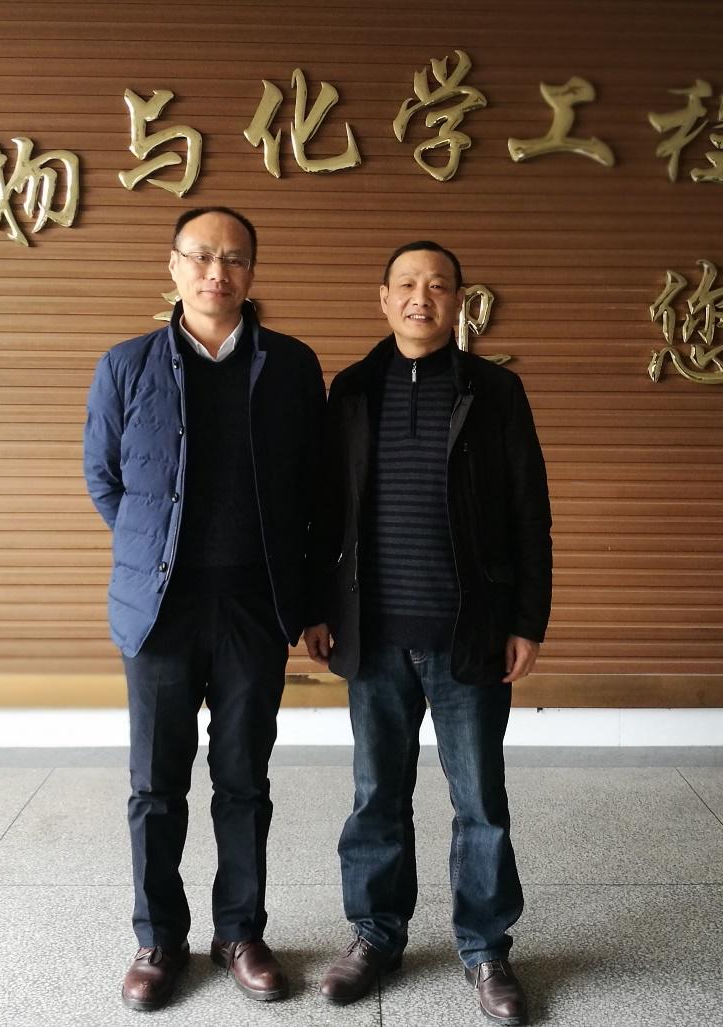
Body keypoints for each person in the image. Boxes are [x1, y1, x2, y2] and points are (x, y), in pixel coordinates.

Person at [83, 206, 325, 1012]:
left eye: (234, 259)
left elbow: (316, 486)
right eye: (201, 256)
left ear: (252, 271)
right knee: (156, 783)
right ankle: (159, 938)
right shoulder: (126, 365)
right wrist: (156, 546)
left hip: (255, 603)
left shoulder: (291, 365)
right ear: (174, 265)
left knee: (243, 778)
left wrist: (309, 598)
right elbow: (105, 478)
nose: (217, 272)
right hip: (160, 609)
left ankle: (240, 932)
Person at [305, 241, 552, 1026]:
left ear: (458, 301)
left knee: (480, 800)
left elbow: (530, 512)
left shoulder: (495, 390)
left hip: (468, 635)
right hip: (372, 634)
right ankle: (376, 934)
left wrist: (528, 621)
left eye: (438, 285)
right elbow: (324, 510)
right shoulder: (352, 389)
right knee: (376, 792)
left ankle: (485, 948)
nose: (422, 297)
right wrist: (316, 607)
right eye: (407, 284)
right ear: (383, 298)